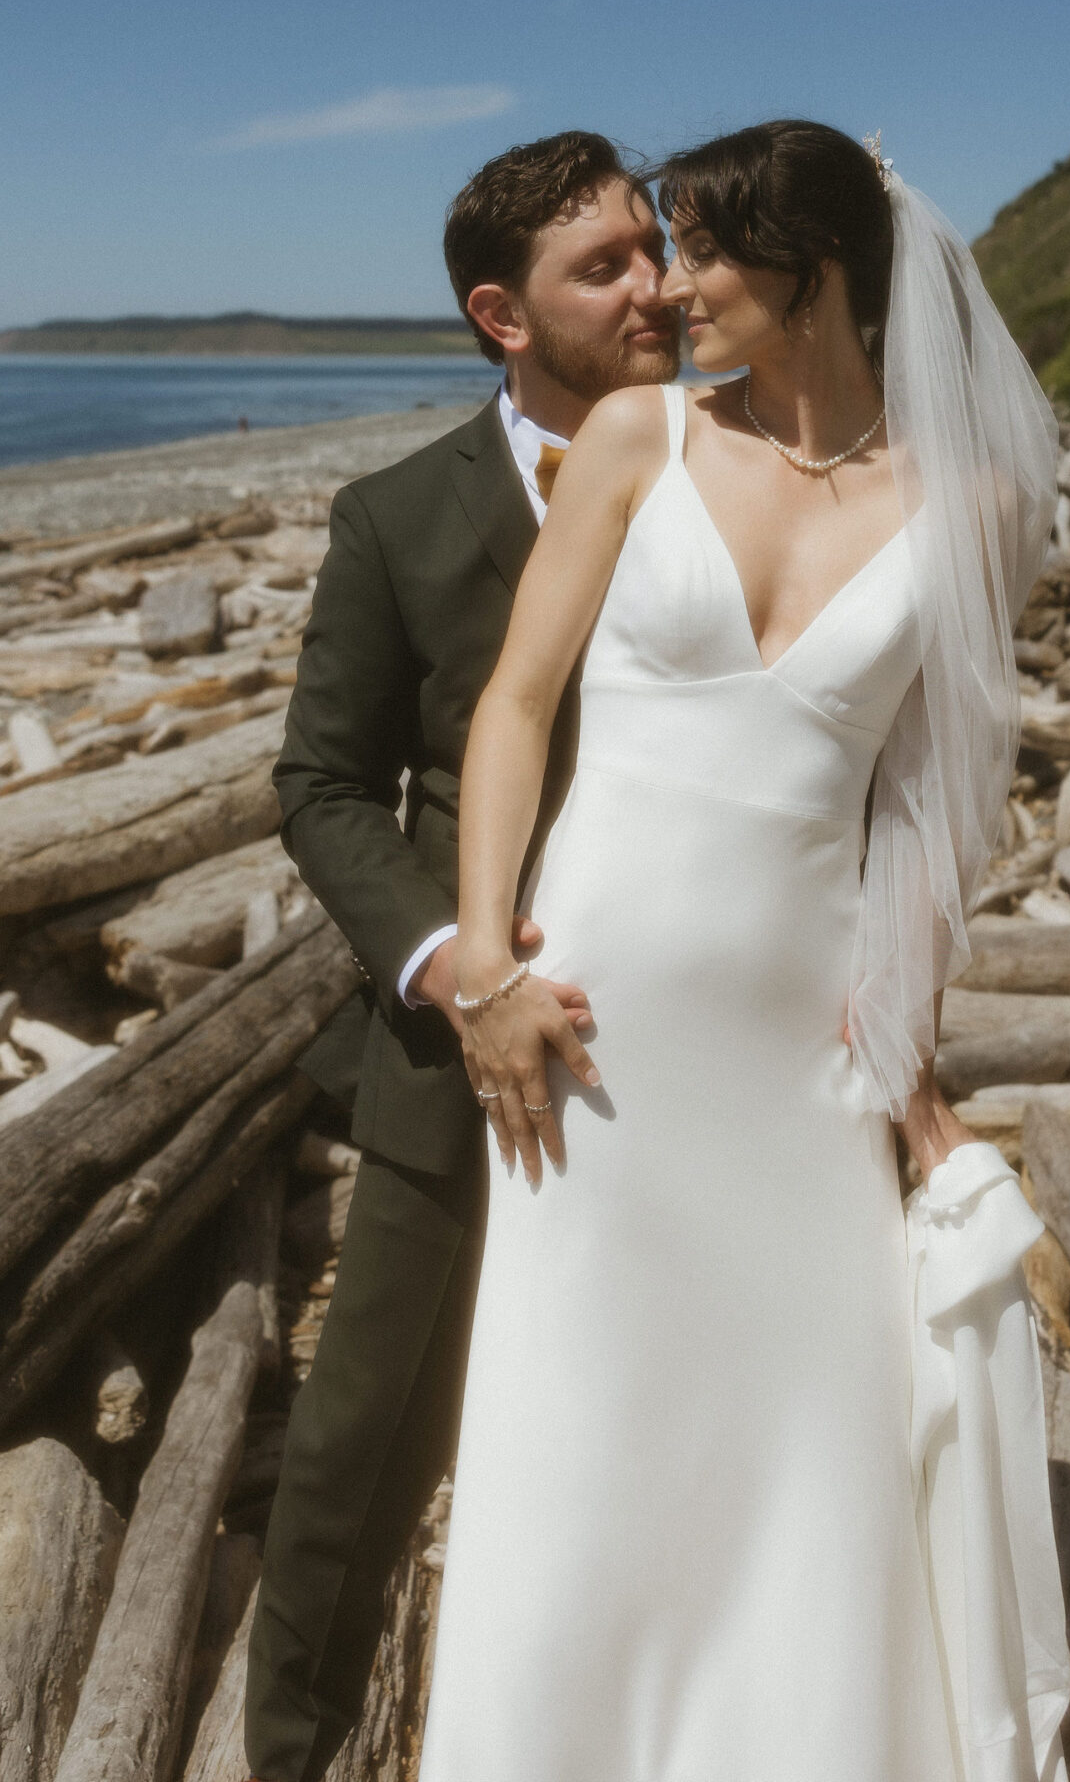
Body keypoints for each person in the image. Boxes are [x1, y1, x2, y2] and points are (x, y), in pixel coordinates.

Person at [419, 119, 1070, 1782]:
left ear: (817, 270)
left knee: (797, 1431)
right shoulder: (637, 440)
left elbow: (930, 821)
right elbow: (513, 704)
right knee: (585, 1423)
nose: (673, 285)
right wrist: (485, 966)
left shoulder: (975, 504)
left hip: (798, 1055)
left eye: (704, 250)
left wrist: (900, 1064)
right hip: (591, 1028)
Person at [243, 130, 679, 1782]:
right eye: (606, 266)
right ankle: (289, 1750)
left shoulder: (741, 464)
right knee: (362, 1441)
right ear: (504, 314)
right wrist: (456, 971)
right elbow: (325, 786)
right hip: (453, 1054)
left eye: (654, 249)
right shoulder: (397, 516)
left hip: (694, 1032)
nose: (660, 286)